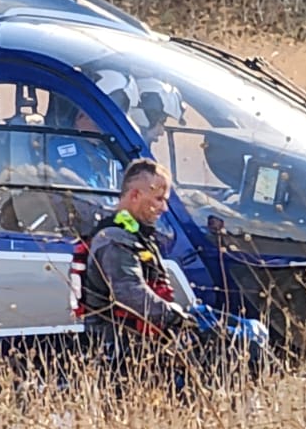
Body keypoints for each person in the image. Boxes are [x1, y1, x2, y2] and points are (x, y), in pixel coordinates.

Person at [76, 158, 267, 390]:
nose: (164, 208)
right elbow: (131, 295)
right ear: (135, 195)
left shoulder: (135, 235)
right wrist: (180, 318)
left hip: (144, 349)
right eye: (158, 199)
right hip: (121, 356)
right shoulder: (114, 240)